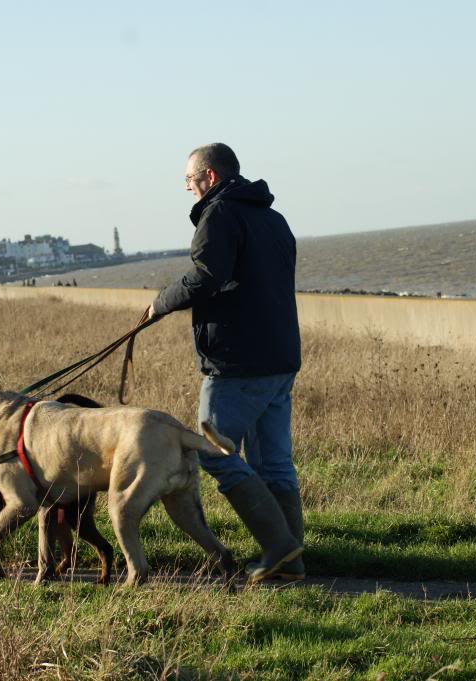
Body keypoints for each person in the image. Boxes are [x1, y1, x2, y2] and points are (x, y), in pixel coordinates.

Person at [147, 143, 304, 582]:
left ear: (210, 177)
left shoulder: (220, 215)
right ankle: (291, 560)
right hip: (280, 356)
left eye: (189, 181)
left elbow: (205, 278)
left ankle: (279, 548)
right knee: (272, 461)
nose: (189, 189)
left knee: (214, 453)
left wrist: (160, 304)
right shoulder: (274, 219)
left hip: (238, 360)